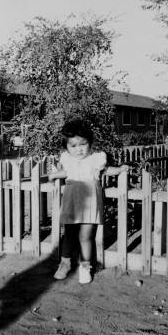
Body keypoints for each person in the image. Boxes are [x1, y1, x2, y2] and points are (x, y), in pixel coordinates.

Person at [41, 119, 128, 284]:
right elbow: (66, 172)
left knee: (85, 236)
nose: (79, 149)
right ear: (67, 147)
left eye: (83, 144)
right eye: (73, 146)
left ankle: (85, 267)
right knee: (69, 235)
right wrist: (53, 175)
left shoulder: (96, 159)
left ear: (90, 143)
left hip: (90, 203)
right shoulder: (68, 160)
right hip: (72, 201)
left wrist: (119, 170)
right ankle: (65, 263)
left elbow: (106, 170)